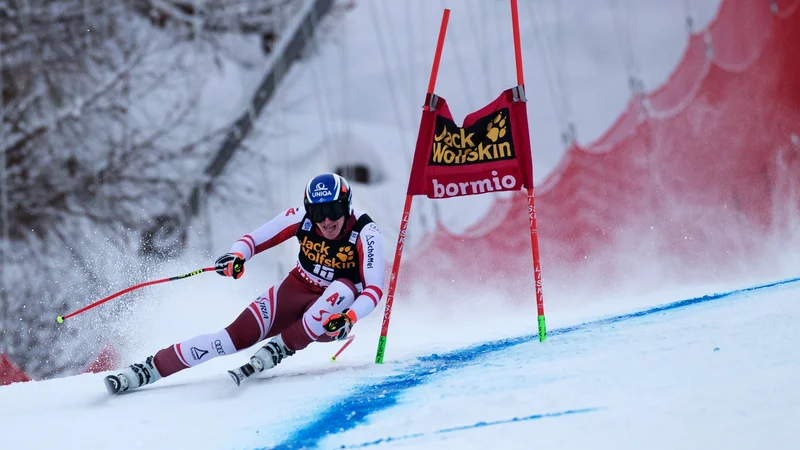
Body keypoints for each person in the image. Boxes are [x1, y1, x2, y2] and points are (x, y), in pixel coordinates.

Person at [104, 173, 385, 394]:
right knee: (229, 339)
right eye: (317, 211)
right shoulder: (301, 218)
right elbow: (253, 240)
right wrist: (237, 256)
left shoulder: (366, 232)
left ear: (346, 206)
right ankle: (149, 368)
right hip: (296, 288)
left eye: (333, 210)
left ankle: (283, 346)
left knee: (343, 286)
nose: (325, 220)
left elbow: (373, 289)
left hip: (333, 314)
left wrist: (348, 318)